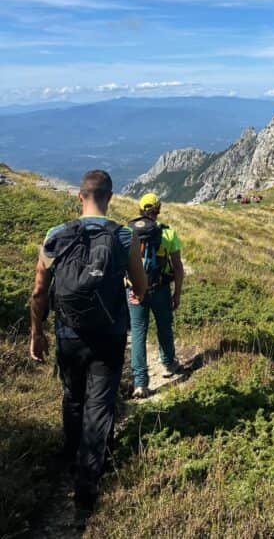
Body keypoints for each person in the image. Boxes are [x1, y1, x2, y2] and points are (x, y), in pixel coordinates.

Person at [30, 169, 148, 515]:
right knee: (100, 403)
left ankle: (71, 455)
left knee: (73, 396)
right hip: (109, 335)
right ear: (109, 198)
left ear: (80, 197)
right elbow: (139, 286)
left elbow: (39, 291)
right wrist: (133, 291)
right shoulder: (124, 236)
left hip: (68, 333)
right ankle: (89, 478)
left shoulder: (56, 235)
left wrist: (37, 333)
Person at [128, 192, 185, 399]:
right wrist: (177, 294)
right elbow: (178, 268)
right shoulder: (167, 234)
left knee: (138, 332)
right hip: (159, 289)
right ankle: (169, 363)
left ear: (141, 210)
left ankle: (140, 383)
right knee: (163, 326)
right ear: (158, 211)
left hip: (134, 291)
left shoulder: (128, 232)